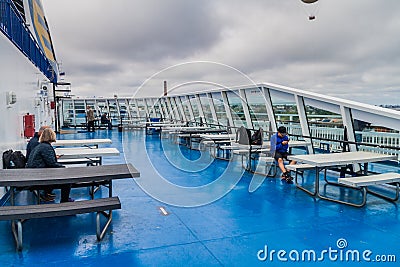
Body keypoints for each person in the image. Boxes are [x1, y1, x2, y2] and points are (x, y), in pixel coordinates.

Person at [26, 128, 73, 202]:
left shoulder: (40, 146)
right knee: (67, 181)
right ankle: (65, 200)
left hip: (34, 174)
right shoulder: (46, 147)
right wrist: (64, 168)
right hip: (39, 177)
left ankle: (47, 193)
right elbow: (52, 164)